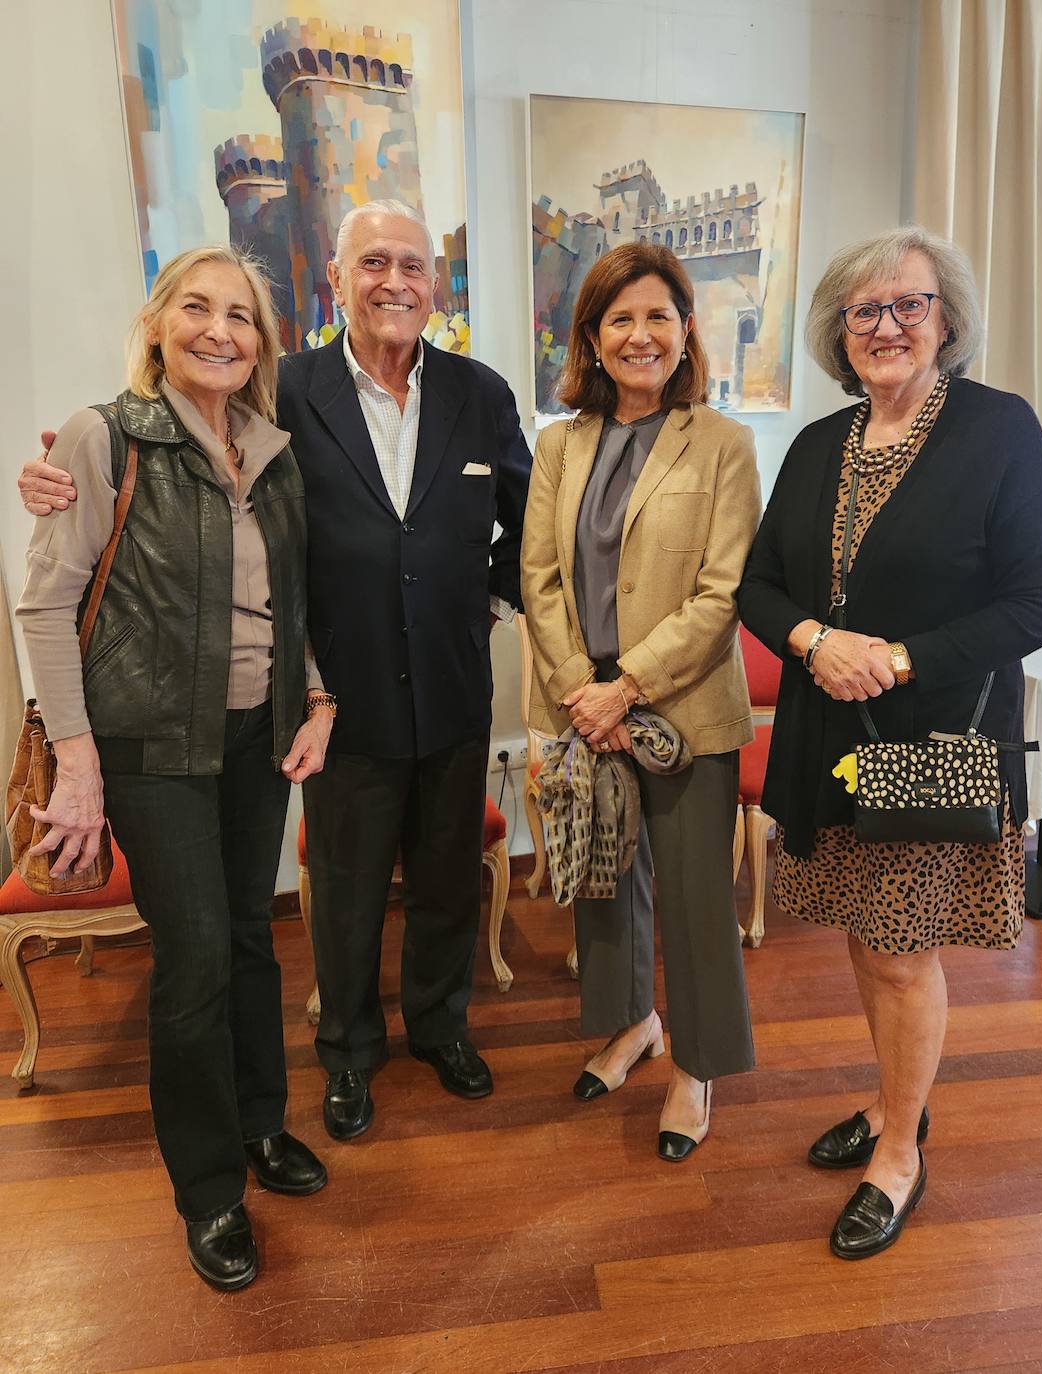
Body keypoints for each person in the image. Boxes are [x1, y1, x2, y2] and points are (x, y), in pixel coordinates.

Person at [21, 201, 532, 1140]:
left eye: (413, 265)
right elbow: (175, 437)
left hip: (456, 687)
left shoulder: (482, 394)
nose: (394, 282)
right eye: (371, 262)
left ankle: (440, 1024)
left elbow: (525, 520)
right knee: (340, 885)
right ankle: (345, 1051)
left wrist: (489, 604)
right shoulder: (281, 391)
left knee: (448, 876)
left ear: (436, 284)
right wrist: (59, 470)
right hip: (328, 700)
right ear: (335, 282)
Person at [736, 226, 1042, 1258]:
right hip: (824, 734)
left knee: (896, 950)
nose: (884, 326)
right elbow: (758, 584)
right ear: (840, 332)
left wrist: (894, 657)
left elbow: (1033, 605)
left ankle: (898, 1156)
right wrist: (809, 640)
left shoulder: (995, 430)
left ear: (944, 319)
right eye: (863, 311)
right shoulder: (816, 444)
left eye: (907, 305)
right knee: (862, 937)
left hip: (926, 737)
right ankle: (893, 1104)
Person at [15, 246, 330, 1291]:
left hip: (254, 738)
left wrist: (316, 698)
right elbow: (45, 607)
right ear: (157, 324)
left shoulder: (269, 449)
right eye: (196, 308)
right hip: (148, 747)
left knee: (249, 936)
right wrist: (78, 768)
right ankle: (209, 1192)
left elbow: (295, 597)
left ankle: (258, 1126)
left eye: (240, 316)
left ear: (262, 342)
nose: (219, 331)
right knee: (193, 960)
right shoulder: (105, 436)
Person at [521, 241, 761, 1161]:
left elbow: (720, 590)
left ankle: (694, 1067)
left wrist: (626, 689)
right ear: (590, 335)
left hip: (681, 708)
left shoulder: (725, 444)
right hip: (584, 709)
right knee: (604, 885)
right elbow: (538, 575)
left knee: (697, 900)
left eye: (658, 315)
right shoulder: (560, 442)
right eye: (619, 318)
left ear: (685, 328)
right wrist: (583, 693)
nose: (639, 334)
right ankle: (632, 1026)